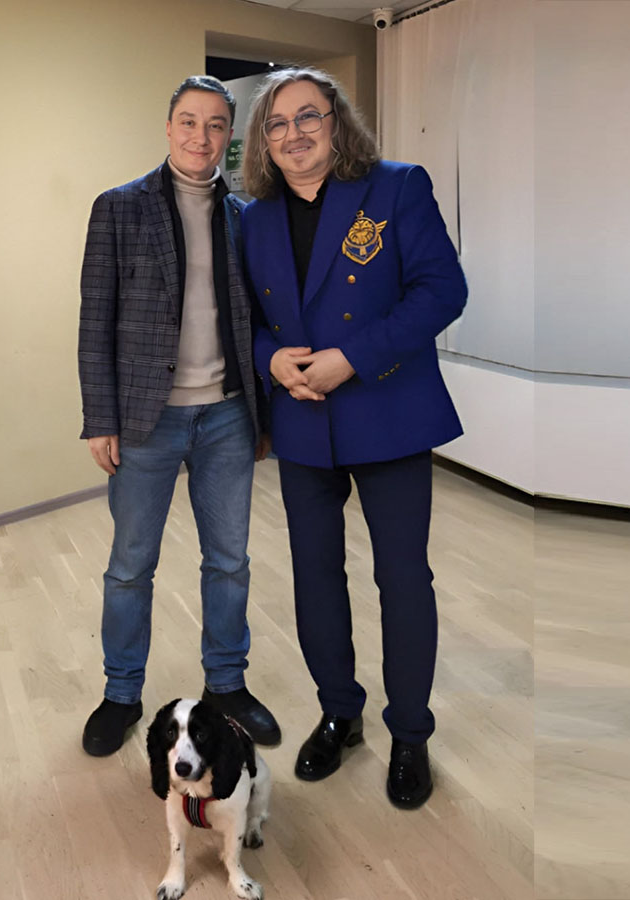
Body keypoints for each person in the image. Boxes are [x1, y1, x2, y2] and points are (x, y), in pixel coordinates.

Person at [241, 67, 467, 808]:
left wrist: (354, 357)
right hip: (304, 418)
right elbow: (246, 320)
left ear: (337, 123)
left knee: (402, 579)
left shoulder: (396, 188)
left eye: (308, 116)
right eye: (277, 123)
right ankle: (340, 712)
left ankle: (410, 733)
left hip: (388, 409)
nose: (294, 134)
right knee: (315, 576)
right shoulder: (253, 218)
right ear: (263, 141)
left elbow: (442, 291)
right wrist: (270, 359)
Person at [78, 75, 280, 756]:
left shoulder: (245, 216)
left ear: (229, 137)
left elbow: (258, 320)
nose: (202, 136)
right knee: (130, 566)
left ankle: (226, 684)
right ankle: (121, 692)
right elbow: (95, 321)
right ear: (169, 128)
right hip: (146, 421)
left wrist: (261, 417)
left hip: (226, 418)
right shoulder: (119, 208)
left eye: (217, 124)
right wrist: (99, 417)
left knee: (229, 562)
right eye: (190, 122)